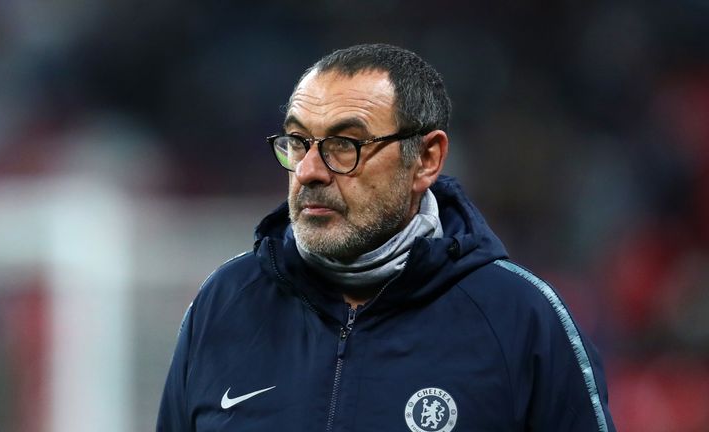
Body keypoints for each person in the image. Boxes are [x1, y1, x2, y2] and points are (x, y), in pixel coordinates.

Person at [157, 43, 616, 431]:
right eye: (298, 141)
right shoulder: (224, 304)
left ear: (427, 159)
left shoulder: (523, 320)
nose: (310, 171)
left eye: (345, 144)